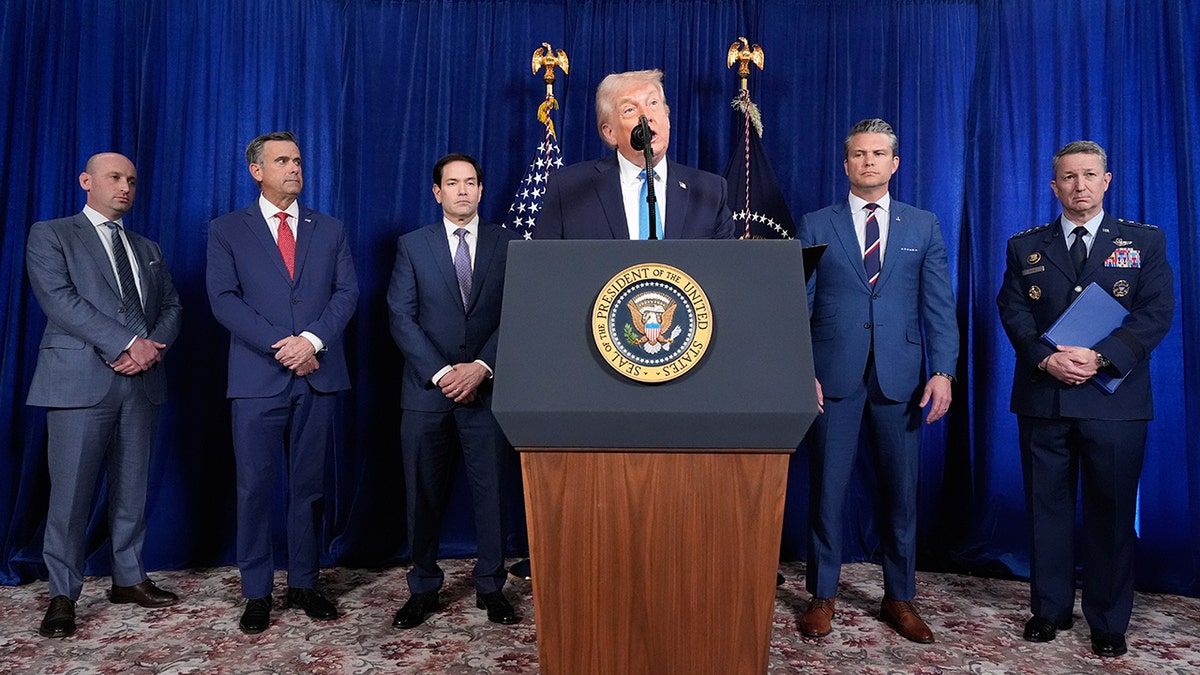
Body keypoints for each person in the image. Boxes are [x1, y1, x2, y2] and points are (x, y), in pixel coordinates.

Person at [996, 140, 1173, 658]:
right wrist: (1045, 358)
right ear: (1055, 186)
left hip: (1115, 402)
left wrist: (1100, 358)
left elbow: (1156, 312)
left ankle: (1108, 619)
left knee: (1111, 514)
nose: (1080, 185)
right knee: (1046, 511)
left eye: (1089, 175)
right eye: (1069, 177)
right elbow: (1013, 312)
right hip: (1045, 397)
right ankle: (1048, 610)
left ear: (1107, 180)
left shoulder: (1143, 242)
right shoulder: (1023, 246)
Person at [796, 119, 958, 643]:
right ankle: (823, 595)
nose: (869, 161)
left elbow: (938, 305)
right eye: (859, 154)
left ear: (895, 164)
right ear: (846, 165)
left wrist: (943, 372)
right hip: (833, 375)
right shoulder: (816, 223)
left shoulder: (923, 225)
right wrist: (801, 373)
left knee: (902, 493)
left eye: (879, 153)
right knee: (826, 490)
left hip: (902, 379)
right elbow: (799, 306)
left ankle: (899, 597)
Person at [206, 131, 359, 634]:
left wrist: (311, 341)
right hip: (257, 380)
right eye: (282, 161)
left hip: (317, 377)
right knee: (254, 488)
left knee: (310, 489)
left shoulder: (329, 228)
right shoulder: (228, 229)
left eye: (297, 160)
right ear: (257, 170)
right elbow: (224, 300)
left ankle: (304, 583)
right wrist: (286, 346)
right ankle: (256, 592)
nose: (294, 168)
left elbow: (346, 293)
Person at [26, 152, 183, 638]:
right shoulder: (50, 234)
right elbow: (59, 299)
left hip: (142, 380)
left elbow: (173, 305)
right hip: (79, 380)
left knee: (132, 488)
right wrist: (126, 343)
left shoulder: (147, 246)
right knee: (71, 495)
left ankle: (129, 579)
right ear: (85, 181)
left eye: (132, 180)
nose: (125, 188)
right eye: (115, 178)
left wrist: (151, 349)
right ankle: (62, 593)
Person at [387, 153, 521, 629]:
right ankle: (422, 587)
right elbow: (400, 317)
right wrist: (444, 373)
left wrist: (481, 367)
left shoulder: (510, 244)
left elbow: (520, 313)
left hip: (488, 391)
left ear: (481, 191)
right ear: (436, 192)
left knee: (492, 495)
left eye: (470, 182)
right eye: (452, 183)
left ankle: (491, 587)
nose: (462, 190)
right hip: (426, 394)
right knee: (421, 495)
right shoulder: (411, 246)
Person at [537, 68, 735, 240]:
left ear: (667, 118)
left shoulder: (710, 191)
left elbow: (726, 272)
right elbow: (544, 269)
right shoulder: (568, 190)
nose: (646, 116)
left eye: (653, 103)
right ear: (610, 133)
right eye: (630, 109)